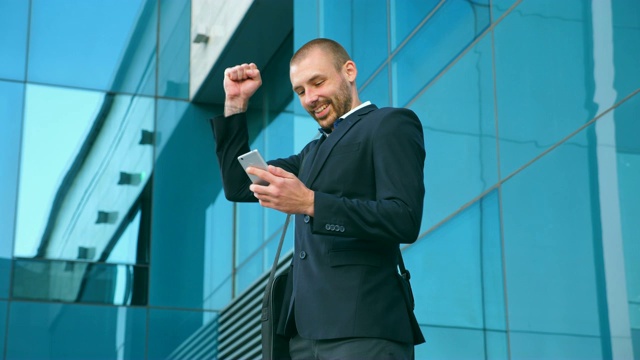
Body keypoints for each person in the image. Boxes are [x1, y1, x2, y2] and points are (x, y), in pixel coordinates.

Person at [210, 38, 426, 359]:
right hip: (302, 337)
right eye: (300, 91)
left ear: (348, 71)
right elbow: (239, 185)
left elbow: (404, 218)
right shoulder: (309, 154)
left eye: (318, 82)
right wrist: (236, 103)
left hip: (364, 328)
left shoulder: (389, 123)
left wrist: (310, 203)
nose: (310, 98)